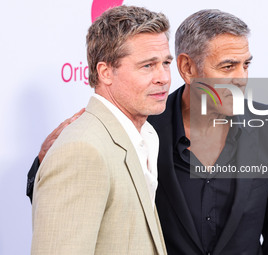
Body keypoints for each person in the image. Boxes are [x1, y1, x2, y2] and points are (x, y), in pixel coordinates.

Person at [27, 9, 268, 255]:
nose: (241, 78)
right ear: (188, 68)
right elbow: (79, 197)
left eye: (246, 65)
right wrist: (42, 165)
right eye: (228, 66)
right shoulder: (145, 128)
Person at [30, 5, 172, 255]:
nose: (163, 77)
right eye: (148, 66)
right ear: (105, 72)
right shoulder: (82, 150)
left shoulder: (146, 136)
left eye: (165, 63)